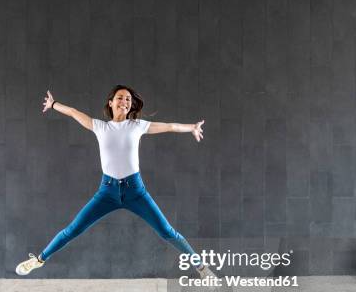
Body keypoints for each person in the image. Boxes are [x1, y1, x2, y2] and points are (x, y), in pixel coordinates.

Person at [15, 85, 214, 279]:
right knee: (73, 230)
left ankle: (202, 268)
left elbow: (170, 126)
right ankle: (39, 259)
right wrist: (53, 104)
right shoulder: (100, 127)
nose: (125, 102)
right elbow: (74, 112)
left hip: (135, 192)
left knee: (167, 232)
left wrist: (192, 128)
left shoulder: (137, 125)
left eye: (128, 99)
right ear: (110, 103)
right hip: (107, 193)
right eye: (120, 98)